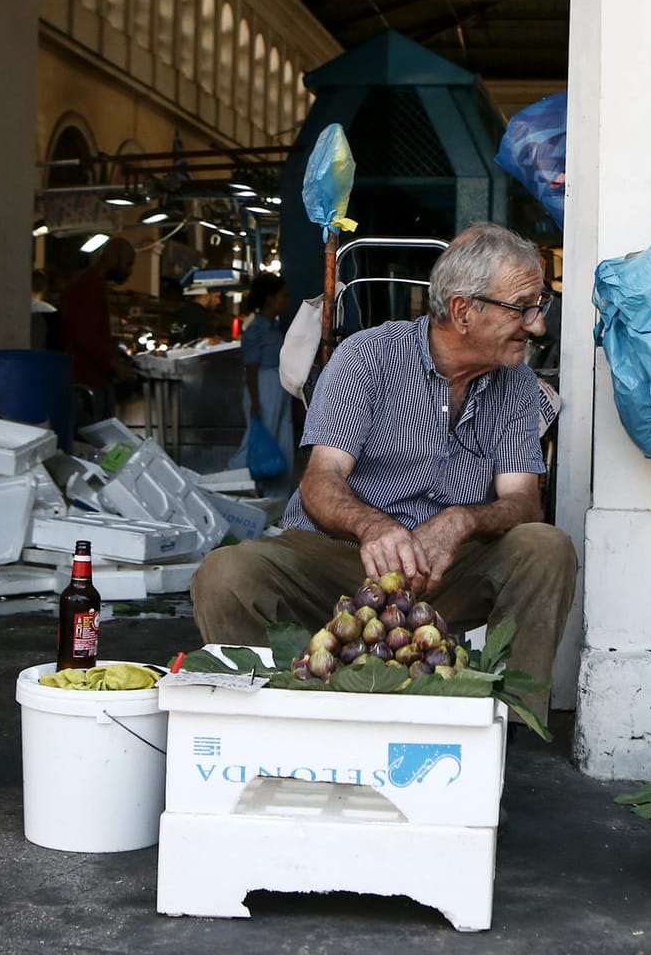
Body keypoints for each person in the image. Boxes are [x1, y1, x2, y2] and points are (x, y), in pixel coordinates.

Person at [190, 223, 577, 717]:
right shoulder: (368, 357)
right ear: (462, 311)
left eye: (537, 307)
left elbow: (523, 502)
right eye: (522, 308)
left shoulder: (516, 385)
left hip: (445, 571)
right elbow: (320, 480)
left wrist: (463, 520)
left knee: (546, 547)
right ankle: (272, 719)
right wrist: (373, 527)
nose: (537, 325)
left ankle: (509, 725)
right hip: (340, 558)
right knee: (225, 573)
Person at [58, 235, 135, 425]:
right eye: (128, 263)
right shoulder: (90, 286)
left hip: (88, 376)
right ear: (114, 258)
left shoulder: (89, 282)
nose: (129, 271)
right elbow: (86, 336)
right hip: (88, 379)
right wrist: (114, 364)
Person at [231, 273, 293, 491]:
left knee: (279, 440)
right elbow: (251, 368)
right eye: (283, 296)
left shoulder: (275, 328)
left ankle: (276, 495)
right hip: (263, 389)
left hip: (278, 389)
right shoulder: (255, 330)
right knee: (258, 439)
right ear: (269, 299)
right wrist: (256, 403)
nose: (287, 301)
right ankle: (236, 483)